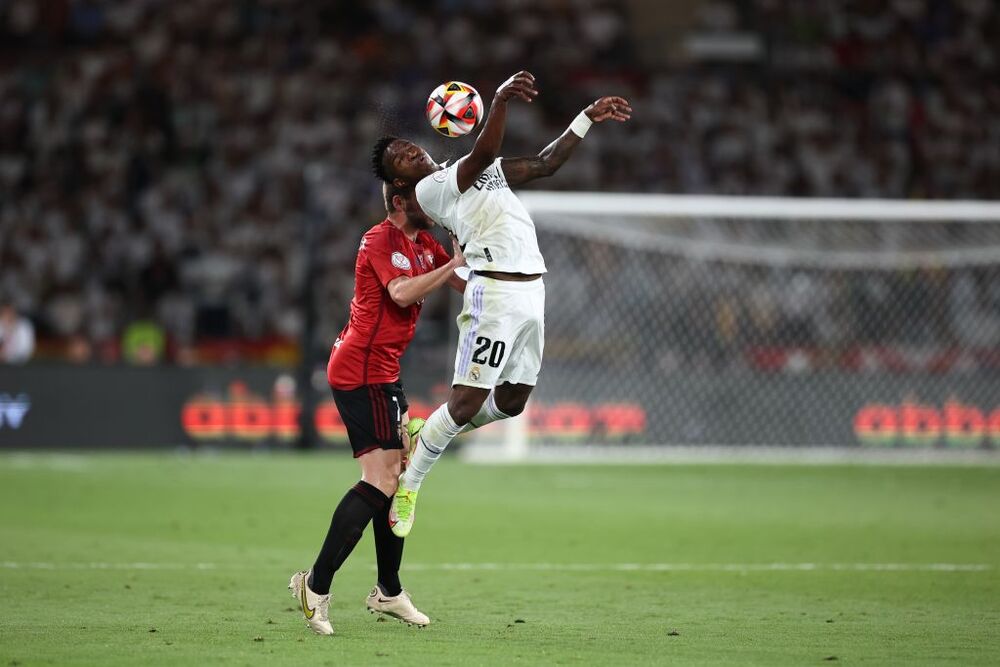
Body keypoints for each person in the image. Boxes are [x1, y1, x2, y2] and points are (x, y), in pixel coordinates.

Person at [370, 71, 631, 537]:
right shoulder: (432, 191)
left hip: (533, 290)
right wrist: (499, 100)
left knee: (511, 402)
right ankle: (410, 484)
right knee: (467, 401)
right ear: (399, 181)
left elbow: (546, 163)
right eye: (403, 158)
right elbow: (484, 152)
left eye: (411, 146)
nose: (414, 151)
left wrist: (587, 117)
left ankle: (425, 432)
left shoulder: (476, 171)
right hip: (492, 292)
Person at [289, 183, 466, 636]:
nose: (434, 204)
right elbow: (402, 293)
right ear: (400, 202)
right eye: (424, 197)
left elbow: (460, 280)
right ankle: (316, 584)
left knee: (398, 478)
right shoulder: (379, 238)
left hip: (383, 369)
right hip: (361, 368)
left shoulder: (422, 241)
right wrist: (451, 266)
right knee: (383, 478)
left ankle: (388, 590)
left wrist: (484, 263)